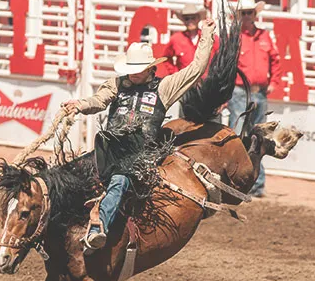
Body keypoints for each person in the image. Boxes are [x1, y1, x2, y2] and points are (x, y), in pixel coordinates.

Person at [61, 19, 216, 252]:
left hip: (139, 153)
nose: (132, 74)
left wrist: (206, 36)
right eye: (130, 70)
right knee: (72, 172)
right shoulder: (116, 84)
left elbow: (196, 68)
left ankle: (97, 226)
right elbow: (99, 101)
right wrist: (80, 104)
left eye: (137, 70)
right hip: (111, 148)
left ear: (150, 68)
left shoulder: (165, 87)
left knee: (120, 179)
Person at [228, 0, 281, 198]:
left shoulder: (264, 36)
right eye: (244, 13)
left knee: (259, 138)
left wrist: (274, 82)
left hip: (258, 93)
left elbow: (275, 60)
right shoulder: (235, 37)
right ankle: (237, 179)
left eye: (250, 12)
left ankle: (256, 183)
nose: (248, 16)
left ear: (254, 14)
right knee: (240, 137)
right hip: (241, 92)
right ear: (239, 15)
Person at [159, 3, 220, 77]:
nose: (190, 21)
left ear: (198, 19)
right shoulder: (176, 39)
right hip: (184, 83)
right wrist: (175, 74)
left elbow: (221, 54)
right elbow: (165, 58)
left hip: (207, 83)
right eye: (187, 18)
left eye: (193, 18)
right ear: (183, 20)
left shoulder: (210, 37)